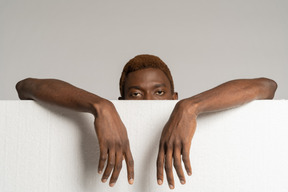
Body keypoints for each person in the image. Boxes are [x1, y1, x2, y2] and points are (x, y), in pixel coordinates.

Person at [16, 54, 277, 189]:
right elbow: (26, 86)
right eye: (136, 94)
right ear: (123, 100)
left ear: (174, 96)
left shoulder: (185, 110)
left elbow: (267, 86)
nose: (149, 100)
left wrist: (189, 107)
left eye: (160, 92)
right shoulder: (110, 113)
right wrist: (100, 106)